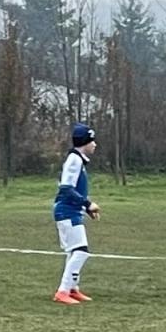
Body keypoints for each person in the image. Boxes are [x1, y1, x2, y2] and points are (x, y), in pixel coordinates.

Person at [53, 123, 101, 304]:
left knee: (74, 251)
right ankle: (63, 291)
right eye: (92, 141)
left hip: (71, 210)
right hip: (66, 212)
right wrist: (87, 203)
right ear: (84, 142)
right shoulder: (74, 160)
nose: (95, 144)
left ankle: (72, 289)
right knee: (81, 251)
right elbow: (66, 188)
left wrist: (86, 208)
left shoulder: (78, 160)